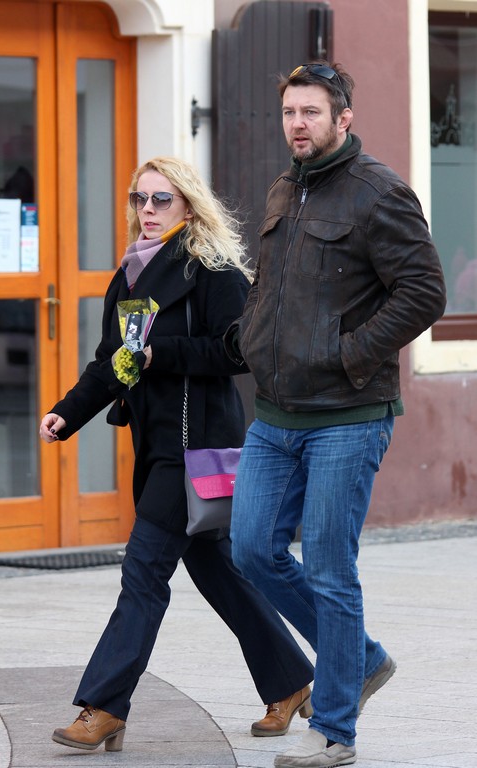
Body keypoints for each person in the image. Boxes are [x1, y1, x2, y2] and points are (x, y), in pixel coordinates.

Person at [39, 156, 314, 753]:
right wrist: (68, 412)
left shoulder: (212, 271)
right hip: (157, 442)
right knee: (218, 571)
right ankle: (291, 681)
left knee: (143, 572)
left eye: (161, 199)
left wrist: (160, 354)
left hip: (196, 447)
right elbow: (112, 362)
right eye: (140, 199)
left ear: (188, 205)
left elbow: (238, 351)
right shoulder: (130, 276)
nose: (148, 210)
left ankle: (103, 705)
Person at [225, 61, 447, 768]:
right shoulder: (283, 188)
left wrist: (349, 353)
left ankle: (335, 730)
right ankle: (363, 658)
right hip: (277, 412)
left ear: (343, 118)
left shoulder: (380, 193)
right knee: (251, 548)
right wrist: (251, 338)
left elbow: (424, 292)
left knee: (328, 568)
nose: (297, 124)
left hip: (349, 413)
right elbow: (270, 285)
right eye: (289, 111)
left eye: (311, 112)